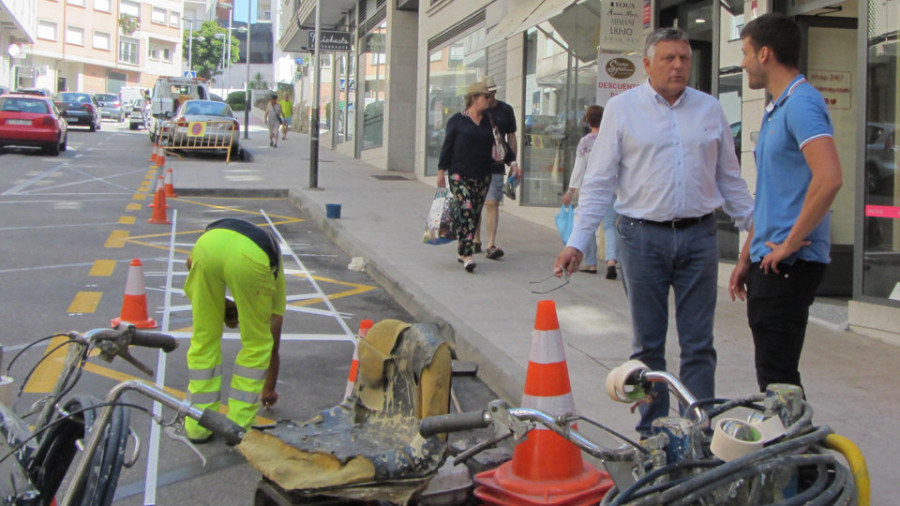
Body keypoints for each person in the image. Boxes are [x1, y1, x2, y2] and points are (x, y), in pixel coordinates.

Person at [553, 27, 754, 436]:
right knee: (648, 346)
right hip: (640, 239)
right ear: (647, 64)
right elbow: (600, 181)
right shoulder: (623, 109)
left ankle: (698, 430)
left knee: (699, 344)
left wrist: (756, 230)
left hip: (699, 237)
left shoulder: (710, 109)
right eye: (668, 58)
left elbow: (730, 180)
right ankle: (655, 434)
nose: (679, 65)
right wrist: (577, 241)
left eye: (684, 57)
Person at [729, 14, 843, 393]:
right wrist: (747, 255)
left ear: (765, 53)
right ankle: (793, 448)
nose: (742, 62)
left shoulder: (802, 104)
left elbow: (829, 178)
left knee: (779, 378)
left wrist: (792, 242)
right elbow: (773, 195)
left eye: (745, 52)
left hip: (789, 262)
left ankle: (799, 451)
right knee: (773, 374)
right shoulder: (779, 105)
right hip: (769, 258)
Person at [183, 218, 286, 443]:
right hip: (250, 258)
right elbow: (273, 332)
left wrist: (220, 305)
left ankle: (198, 426)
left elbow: (191, 264)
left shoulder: (218, 232)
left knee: (204, 338)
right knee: (257, 343)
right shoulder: (274, 259)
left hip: (207, 246)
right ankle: (236, 427)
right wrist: (268, 389)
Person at [437, 80, 495, 273]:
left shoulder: (490, 121)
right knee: (467, 209)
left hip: (482, 174)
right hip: (459, 174)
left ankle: (462, 251)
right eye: (485, 96)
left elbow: (500, 144)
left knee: (473, 213)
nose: (489, 99)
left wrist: (512, 163)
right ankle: (467, 254)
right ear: (474, 98)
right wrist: (440, 172)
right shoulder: (457, 120)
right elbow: (447, 146)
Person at [561, 105, 619, 279]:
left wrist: (571, 191)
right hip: (612, 186)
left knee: (589, 225)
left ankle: (591, 262)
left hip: (591, 188)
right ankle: (611, 260)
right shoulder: (610, 139)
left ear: (587, 121)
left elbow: (579, 169)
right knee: (609, 225)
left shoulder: (585, 142)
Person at [473, 76, 522, 260]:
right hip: (476, 163)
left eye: (492, 91)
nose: (490, 95)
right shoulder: (475, 110)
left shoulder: (505, 110)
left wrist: (513, 162)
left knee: (492, 202)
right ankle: (476, 239)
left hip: (496, 163)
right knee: (476, 203)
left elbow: (511, 137)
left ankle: (491, 244)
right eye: (487, 92)